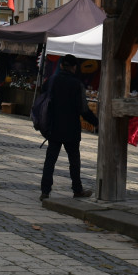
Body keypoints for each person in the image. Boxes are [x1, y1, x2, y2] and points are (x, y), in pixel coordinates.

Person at [40, 54, 98, 201]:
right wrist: (97, 123)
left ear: (61, 66)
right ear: (74, 67)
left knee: (50, 160)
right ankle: (77, 190)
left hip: (54, 126)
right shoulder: (77, 84)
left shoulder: (51, 81)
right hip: (71, 128)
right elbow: (84, 110)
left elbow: (43, 101)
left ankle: (45, 191)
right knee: (74, 161)